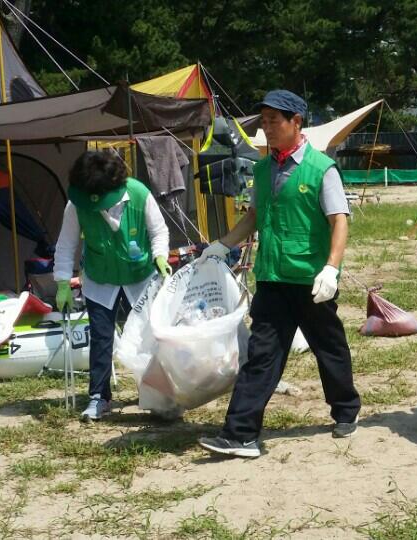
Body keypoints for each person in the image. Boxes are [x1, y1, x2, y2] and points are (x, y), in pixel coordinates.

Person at [197, 90, 360, 458]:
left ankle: (346, 409)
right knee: (262, 354)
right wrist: (223, 244)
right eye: (264, 121)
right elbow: (254, 216)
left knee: (328, 347)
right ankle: (240, 433)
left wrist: (331, 269)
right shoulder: (262, 167)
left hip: (311, 279)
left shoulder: (322, 169)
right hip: (272, 276)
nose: (266, 128)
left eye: (274, 120)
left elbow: (339, 221)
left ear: (296, 122)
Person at [54, 150, 171, 421]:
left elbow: (159, 231)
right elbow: (66, 244)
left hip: (139, 277)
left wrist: (160, 255)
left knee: (148, 336)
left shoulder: (139, 194)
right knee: (101, 338)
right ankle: (99, 397)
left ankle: (157, 393)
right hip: (99, 279)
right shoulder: (77, 203)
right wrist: (61, 281)